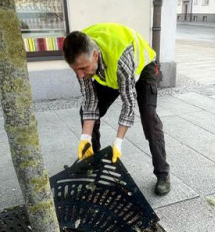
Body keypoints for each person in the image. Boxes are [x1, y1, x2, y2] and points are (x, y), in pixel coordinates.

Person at [63, 23, 171, 195]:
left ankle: (163, 173)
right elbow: (90, 102)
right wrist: (85, 138)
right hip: (109, 71)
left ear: (96, 55)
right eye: (76, 70)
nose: (80, 75)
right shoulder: (81, 51)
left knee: (149, 119)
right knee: (86, 112)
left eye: (82, 69)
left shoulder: (121, 58)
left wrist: (117, 143)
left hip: (142, 69)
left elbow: (128, 104)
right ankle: (91, 159)